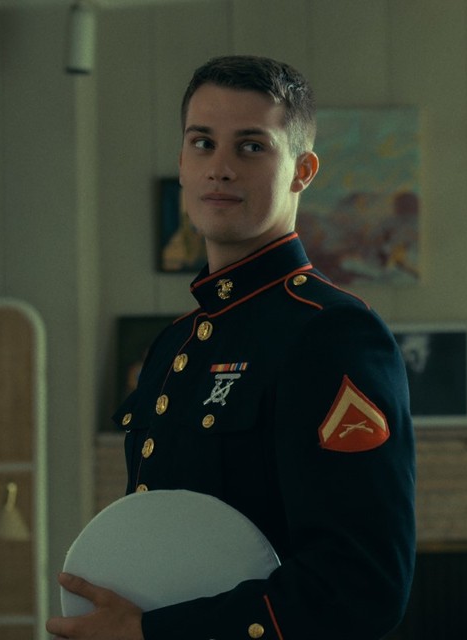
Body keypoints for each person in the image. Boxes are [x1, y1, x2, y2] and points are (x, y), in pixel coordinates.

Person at [45, 55, 416, 640]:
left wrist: (152, 633)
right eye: (202, 144)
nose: (219, 168)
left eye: (250, 147)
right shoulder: (173, 344)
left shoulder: (332, 333)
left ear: (302, 171)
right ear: (181, 163)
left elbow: (362, 586)